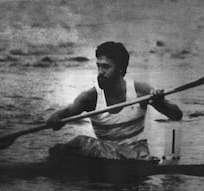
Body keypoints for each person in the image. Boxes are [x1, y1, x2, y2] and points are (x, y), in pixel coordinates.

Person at [46, 41, 182, 160]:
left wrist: (160, 102)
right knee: (62, 149)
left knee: (82, 142)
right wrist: (56, 117)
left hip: (137, 157)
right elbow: (67, 113)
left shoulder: (140, 91)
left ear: (120, 69)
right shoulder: (90, 97)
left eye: (106, 67)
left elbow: (176, 115)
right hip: (107, 157)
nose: (100, 72)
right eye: (98, 66)